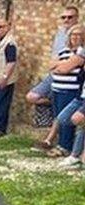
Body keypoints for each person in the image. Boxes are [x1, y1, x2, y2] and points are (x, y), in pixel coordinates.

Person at [28, 7, 79, 149]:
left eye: (70, 17)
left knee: (64, 114)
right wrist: (59, 65)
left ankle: (50, 140)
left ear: (77, 18)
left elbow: (75, 61)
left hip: (69, 80)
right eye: (63, 17)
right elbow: (53, 60)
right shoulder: (59, 34)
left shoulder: (80, 34)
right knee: (32, 96)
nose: (66, 20)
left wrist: (62, 65)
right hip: (54, 75)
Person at [50, 25, 84, 154]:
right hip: (57, 87)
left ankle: (66, 147)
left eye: (78, 34)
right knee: (59, 117)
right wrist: (64, 64)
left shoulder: (81, 52)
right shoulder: (64, 51)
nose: (75, 37)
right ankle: (60, 145)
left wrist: (62, 65)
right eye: (73, 35)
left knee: (67, 119)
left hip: (71, 89)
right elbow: (52, 66)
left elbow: (63, 69)